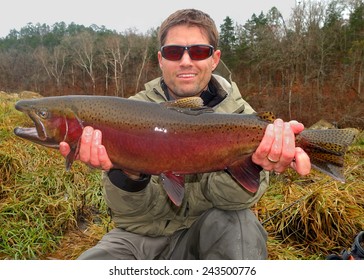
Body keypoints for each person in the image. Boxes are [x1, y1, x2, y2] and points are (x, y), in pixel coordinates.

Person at [59, 9, 311, 260]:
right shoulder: (125, 113)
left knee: (241, 227)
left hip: (209, 233)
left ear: (215, 58)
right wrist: (129, 173)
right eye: (174, 52)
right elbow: (128, 213)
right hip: (140, 238)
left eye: (199, 51)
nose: (186, 61)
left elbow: (234, 204)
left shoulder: (243, 117)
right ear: (160, 59)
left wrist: (253, 165)